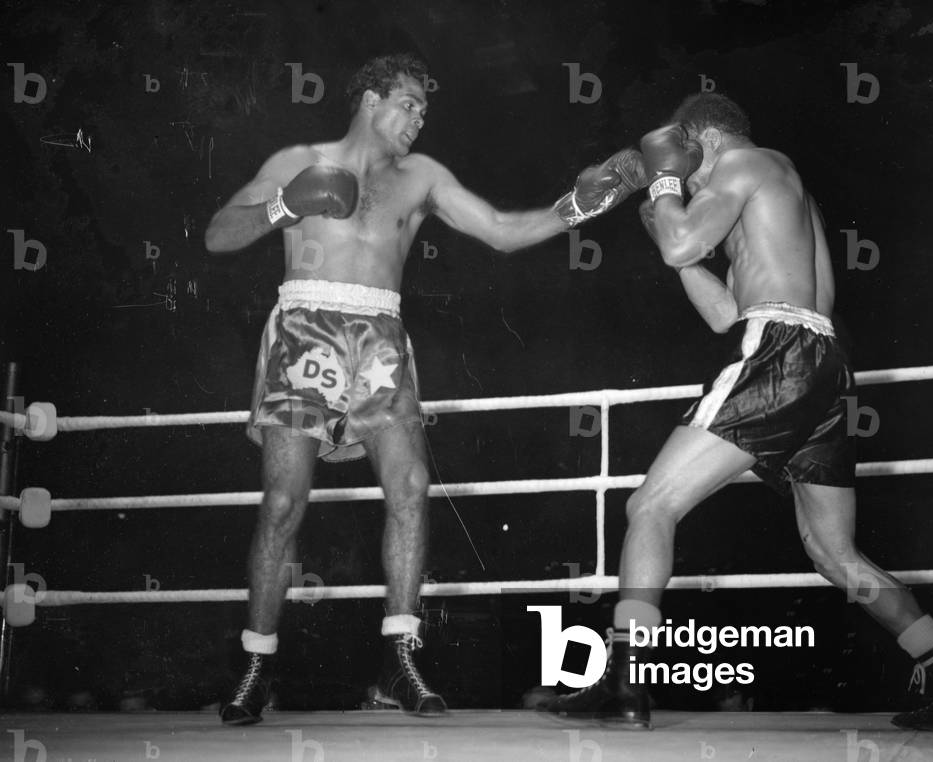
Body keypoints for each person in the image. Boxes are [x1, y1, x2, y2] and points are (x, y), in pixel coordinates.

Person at [204, 53, 646, 725]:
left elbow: (499, 231)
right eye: (407, 104)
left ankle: (399, 657)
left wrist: (576, 208)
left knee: (409, 489)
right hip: (306, 326)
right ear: (368, 97)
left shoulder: (423, 177)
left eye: (423, 110)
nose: (418, 117)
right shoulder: (298, 157)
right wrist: (285, 202)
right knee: (283, 499)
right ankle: (257, 664)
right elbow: (218, 234)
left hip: (381, 332)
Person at [540, 93, 933, 731]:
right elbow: (723, 313)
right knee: (833, 551)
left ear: (701, 137)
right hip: (824, 365)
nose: (686, 176)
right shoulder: (780, 196)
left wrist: (668, 186)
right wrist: (668, 226)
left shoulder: (744, 161)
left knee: (650, 506)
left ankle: (625, 682)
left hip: (779, 354)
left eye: (684, 157)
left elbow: (696, 261)